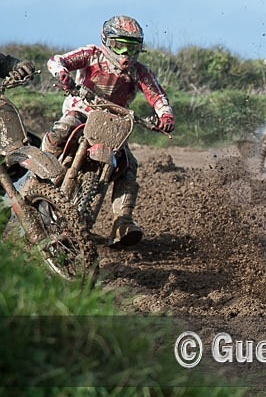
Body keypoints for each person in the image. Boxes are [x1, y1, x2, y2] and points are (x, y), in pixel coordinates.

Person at [43, 15, 174, 246]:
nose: (125, 54)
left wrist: (165, 115)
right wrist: (62, 74)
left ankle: (122, 221)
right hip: (82, 111)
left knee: (128, 165)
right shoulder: (92, 54)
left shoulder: (139, 72)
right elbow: (56, 60)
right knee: (63, 130)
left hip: (114, 123)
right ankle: (41, 170)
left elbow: (157, 95)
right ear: (107, 42)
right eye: (119, 45)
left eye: (131, 47)